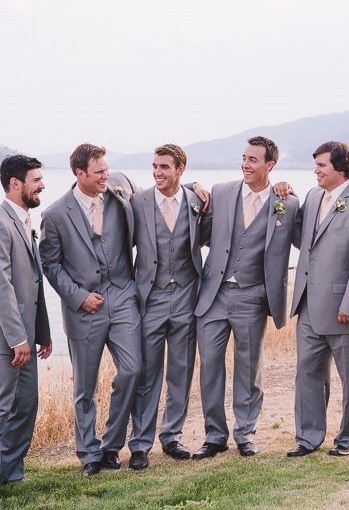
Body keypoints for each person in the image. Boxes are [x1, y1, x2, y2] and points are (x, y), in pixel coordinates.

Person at [39, 143, 142, 477]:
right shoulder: (54, 215)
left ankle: (112, 445)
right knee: (85, 387)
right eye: (98, 172)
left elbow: (157, 197)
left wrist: (192, 187)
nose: (105, 176)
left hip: (124, 296)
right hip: (84, 309)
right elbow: (50, 264)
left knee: (131, 370)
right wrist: (78, 296)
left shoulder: (119, 190)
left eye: (106, 169)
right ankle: (89, 454)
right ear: (79, 173)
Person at [193, 136, 299, 459]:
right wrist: (190, 185)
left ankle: (245, 432)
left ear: (270, 165)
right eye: (243, 158)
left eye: (253, 160)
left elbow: (307, 242)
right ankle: (214, 435)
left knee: (249, 368)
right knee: (210, 366)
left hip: (254, 296)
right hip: (214, 293)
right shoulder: (222, 192)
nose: (245, 165)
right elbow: (199, 229)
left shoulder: (288, 203)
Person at [286, 141, 349, 458]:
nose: (315, 171)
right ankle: (308, 438)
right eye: (315, 165)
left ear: (340, 168)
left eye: (322, 166)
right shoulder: (313, 197)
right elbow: (303, 237)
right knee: (308, 374)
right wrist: (282, 197)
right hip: (309, 305)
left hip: (346, 309)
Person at [0, 155, 52, 505]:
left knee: (26, 405)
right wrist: (18, 338)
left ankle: (9, 472)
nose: (42, 184)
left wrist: (41, 333)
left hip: (24, 338)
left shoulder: (25, 220)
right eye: (36, 179)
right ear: (15, 184)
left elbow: (32, 282)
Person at [126, 144, 208, 470]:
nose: (158, 173)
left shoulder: (197, 202)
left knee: (181, 372)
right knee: (146, 374)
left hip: (187, 297)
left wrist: (193, 187)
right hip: (151, 299)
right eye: (154, 167)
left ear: (180, 169)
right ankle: (140, 445)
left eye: (164, 167)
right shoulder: (137, 203)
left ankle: (171, 437)